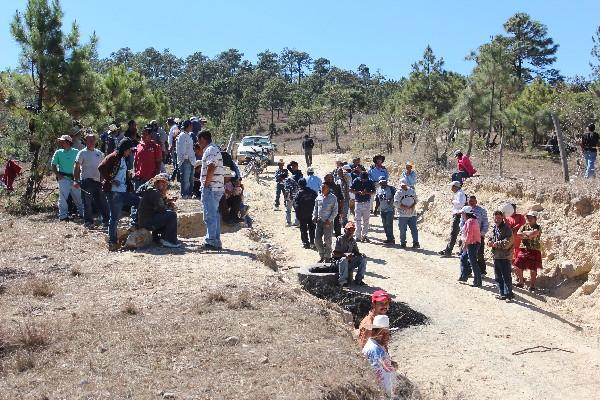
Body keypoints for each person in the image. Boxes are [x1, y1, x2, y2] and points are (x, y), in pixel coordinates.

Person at [98, 138, 140, 251]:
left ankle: (134, 223)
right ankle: (112, 242)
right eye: (129, 150)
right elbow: (101, 167)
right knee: (115, 218)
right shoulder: (113, 156)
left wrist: (129, 185)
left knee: (139, 201)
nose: (130, 152)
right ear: (124, 149)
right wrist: (111, 180)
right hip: (114, 192)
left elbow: (124, 174)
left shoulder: (122, 159)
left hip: (123, 191)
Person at [74, 131, 109, 228]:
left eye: (93, 140)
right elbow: (77, 167)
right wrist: (76, 180)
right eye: (89, 140)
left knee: (102, 202)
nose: (92, 141)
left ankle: (106, 221)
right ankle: (89, 222)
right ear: (86, 141)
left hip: (98, 182)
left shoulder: (99, 153)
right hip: (86, 181)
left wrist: (103, 179)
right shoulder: (82, 153)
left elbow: (103, 168)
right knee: (87, 203)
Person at [198, 129, 225, 250]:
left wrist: (206, 184)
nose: (199, 144)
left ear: (203, 139)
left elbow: (211, 166)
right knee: (214, 214)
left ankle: (211, 241)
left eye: (199, 141)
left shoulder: (209, 150)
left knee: (210, 215)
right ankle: (215, 240)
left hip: (211, 187)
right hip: (217, 187)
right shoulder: (215, 149)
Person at [137, 174, 180, 248]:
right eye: (161, 182)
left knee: (167, 214)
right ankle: (168, 240)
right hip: (147, 222)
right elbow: (161, 209)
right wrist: (169, 207)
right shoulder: (154, 192)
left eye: (164, 183)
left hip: (146, 220)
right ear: (156, 182)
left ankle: (157, 238)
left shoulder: (153, 191)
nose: (163, 185)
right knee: (172, 215)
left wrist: (166, 202)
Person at [362, 315, 398, 398]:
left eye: (388, 334)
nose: (386, 337)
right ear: (373, 333)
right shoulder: (374, 349)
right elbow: (381, 373)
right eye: (382, 333)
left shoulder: (377, 345)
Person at [51, 134, 83, 221]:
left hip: (74, 178)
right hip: (63, 178)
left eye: (63, 141)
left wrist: (78, 178)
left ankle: (82, 214)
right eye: (60, 141)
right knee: (63, 198)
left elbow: (80, 165)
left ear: (68, 142)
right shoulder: (58, 152)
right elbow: (53, 165)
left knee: (78, 197)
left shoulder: (76, 151)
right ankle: (63, 216)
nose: (61, 143)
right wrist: (58, 175)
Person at [487, 209, 515, 301]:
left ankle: (509, 295)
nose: (497, 219)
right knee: (498, 276)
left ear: (502, 218)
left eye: (499, 217)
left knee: (506, 276)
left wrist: (495, 244)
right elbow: (490, 238)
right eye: (496, 218)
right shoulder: (494, 228)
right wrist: (489, 242)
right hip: (496, 256)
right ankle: (502, 293)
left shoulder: (507, 229)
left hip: (505, 256)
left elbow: (508, 242)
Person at [514, 211, 543, 292]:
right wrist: (528, 235)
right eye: (528, 217)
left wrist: (525, 234)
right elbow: (518, 234)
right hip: (523, 248)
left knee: (533, 268)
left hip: (534, 249)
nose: (529, 219)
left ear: (535, 219)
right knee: (517, 264)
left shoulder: (538, 227)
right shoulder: (524, 226)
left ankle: (532, 285)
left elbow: (534, 233)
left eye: (531, 217)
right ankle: (521, 281)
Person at [332, 221, 367, 286]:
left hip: (349, 262)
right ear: (345, 230)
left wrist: (361, 254)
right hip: (338, 263)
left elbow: (356, 252)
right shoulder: (339, 239)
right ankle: (343, 281)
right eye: (349, 230)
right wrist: (345, 254)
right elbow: (334, 253)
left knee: (363, 259)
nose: (351, 232)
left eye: (352, 230)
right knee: (344, 259)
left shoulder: (353, 240)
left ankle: (359, 280)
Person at [313, 181, 338, 263]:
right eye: (322, 187)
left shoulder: (333, 198)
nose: (322, 188)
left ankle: (327, 257)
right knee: (317, 240)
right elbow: (316, 208)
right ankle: (322, 255)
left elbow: (335, 211)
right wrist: (314, 217)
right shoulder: (319, 197)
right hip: (319, 221)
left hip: (328, 222)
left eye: (324, 187)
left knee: (328, 240)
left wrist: (329, 220)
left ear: (328, 188)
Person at [439, 181, 466, 256]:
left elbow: (461, 204)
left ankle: (448, 251)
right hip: (458, 215)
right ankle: (459, 251)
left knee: (454, 233)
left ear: (455, 186)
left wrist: (453, 201)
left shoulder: (460, 194)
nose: (451, 188)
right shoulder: (459, 193)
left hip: (458, 215)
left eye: (452, 186)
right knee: (458, 233)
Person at [458, 206, 482, 287]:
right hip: (473, 243)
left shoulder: (470, 221)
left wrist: (465, 244)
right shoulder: (472, 220)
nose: (462, 215)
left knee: (473, 263)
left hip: (472, 244)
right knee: (464, 258)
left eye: (462, 213)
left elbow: (469, 234)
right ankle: (464, 276)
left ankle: (477, 281)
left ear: (465, 213)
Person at [133, 125, 162, 192]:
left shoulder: (155, 146)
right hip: (139, 178)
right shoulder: (139, 145)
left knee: (149, 198)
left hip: (150, 178)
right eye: (142, 134)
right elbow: (135, 160)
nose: (143, 136)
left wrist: (156, 177)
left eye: (145, 134)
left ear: (150, 135)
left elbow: (158, 162)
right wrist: (134, 172)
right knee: (138, 197)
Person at [466, 196, 489, 275]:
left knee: (479, 254)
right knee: (467, 253)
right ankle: (468, 271)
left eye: (472, 201)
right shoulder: (465, 210)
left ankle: (482, 271)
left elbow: (485, 223)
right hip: (467, 236)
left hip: (478, 236)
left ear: (476, 201)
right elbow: (462, 222)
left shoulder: (481, 211)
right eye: (469, 201)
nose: (471, 202)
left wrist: (482, 233)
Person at [351, 171, 376, 242]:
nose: (364, 180)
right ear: (360, 177)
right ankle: (357, 236)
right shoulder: (356, 180)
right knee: (357, 220)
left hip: (367, 202)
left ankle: (365, 235)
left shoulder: (370, 181)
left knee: (366, 220)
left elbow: (374, 192)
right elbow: (351, 189)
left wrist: (367, 193)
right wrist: (358, 192)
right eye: (362, 179)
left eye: (365, 179)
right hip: (358, 202)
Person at [394, 178, 419, 248]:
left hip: (412, 214)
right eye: (402, 185)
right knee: (402, 230)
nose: (403, 186)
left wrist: (412, 206)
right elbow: (396, 203)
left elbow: (416, 200)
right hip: (402, 215)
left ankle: (416, 242)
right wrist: (404, 207)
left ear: (407, 184)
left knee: (414, 229)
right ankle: (403, 242)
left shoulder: (412, 191)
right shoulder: (398, 193)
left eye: (404, 185)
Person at [294, 178, 317, 249]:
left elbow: (296, 206)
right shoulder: (312, 192)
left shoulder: (299, 193)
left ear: (299, 184)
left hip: (302, 215)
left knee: (303, 230)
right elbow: (317, 202)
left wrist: (297, 216)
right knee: (312, 229)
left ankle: (306, 243)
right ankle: (312, 242)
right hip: (312, 214)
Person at [176, 120, 196, 198]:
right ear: (188, 126)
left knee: (190, 178)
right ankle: (185, 193)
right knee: (185, 178)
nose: (192, 127)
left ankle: (189, 193)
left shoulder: (188, 135)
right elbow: (182, 148)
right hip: (186, 160)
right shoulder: (182, 135)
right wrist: (185, 158)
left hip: (191, 160)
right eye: (191, 126)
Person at [376, 178, 396, 244]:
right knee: (385, 225)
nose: (383, 183)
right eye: (381, 182)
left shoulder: (391, 188)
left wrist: (390, 199)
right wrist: (376, 209)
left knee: (389, 224)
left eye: (384, 182)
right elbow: (377, 200)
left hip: (390, 209)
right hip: (382, 209)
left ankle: (391, 239)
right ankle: (388, 238)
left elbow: (397, 196)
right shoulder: (378, 189)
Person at [167, 117, 181, 182]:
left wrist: (171, 148)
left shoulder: (174, 127)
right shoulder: (173, 127)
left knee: (176, 164)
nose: (167, 123)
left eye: (168, 122)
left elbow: (174, 138)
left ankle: (175, 178)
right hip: (172, 148)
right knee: (175, 164)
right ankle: (175, 178)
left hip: (174, 148)